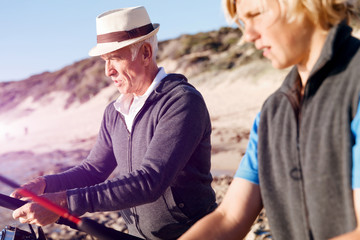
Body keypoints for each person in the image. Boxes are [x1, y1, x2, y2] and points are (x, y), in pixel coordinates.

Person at [10, 6, 217, 240]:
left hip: (194, 234)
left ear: (146, 53)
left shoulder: (181, 101)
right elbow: (93, 170)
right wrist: (45, 185)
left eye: (115, 58)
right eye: (105, 60)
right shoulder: (115, 111)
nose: (108, 71)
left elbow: (150, 180)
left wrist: (64, 201)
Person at [179, 0, 360, 240]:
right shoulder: (272, 112)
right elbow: (229, 217)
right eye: (244, 23)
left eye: (257, 14)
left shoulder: (355, 85)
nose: (248, 36)